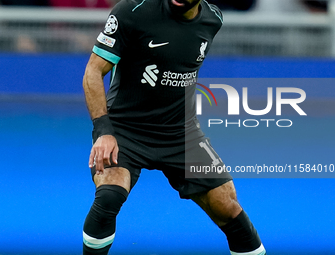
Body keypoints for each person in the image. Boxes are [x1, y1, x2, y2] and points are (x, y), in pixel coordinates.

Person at [82, 0, 267, 254]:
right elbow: (93, 71)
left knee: (227, 205)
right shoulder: (132, 12)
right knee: (109, 194)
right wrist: (103, 131)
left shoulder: (213, 20)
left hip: (181, 133)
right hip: (125, 129)